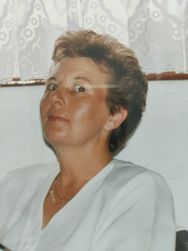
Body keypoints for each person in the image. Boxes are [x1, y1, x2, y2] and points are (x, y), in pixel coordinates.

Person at [0, 30, 175, 251]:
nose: (56, 97)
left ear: (115, 115)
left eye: (79, 89)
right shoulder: (15, 184)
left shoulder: (137, 188)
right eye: (52, 87)